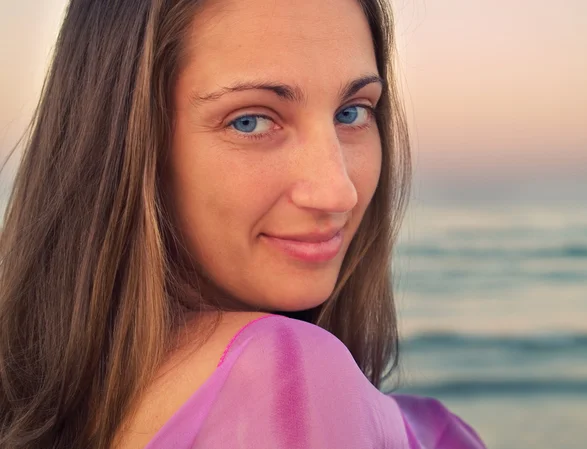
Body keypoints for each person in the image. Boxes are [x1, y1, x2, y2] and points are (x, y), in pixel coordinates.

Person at [0, 0, 487, 448]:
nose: (338, 190)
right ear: (122, 146)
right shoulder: (288, 381)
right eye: (250, 121)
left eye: (351, 112)